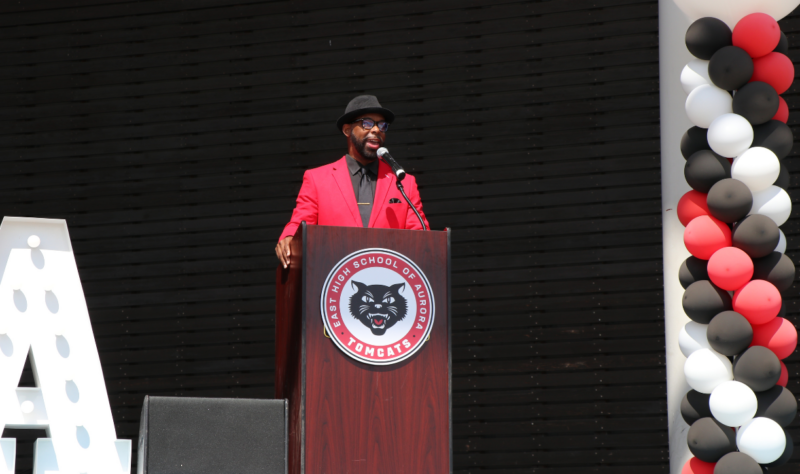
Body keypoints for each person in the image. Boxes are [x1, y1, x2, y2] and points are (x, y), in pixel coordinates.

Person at [275, 95, 429, 268]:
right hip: (332, 279)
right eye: (368, 123)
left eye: (382, 125)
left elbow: (421, 236)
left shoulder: (403, 182)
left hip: (389, 276)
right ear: (347, 130)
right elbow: (300, 222)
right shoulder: (317, 179)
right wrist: (289, 237)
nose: (377, 130)